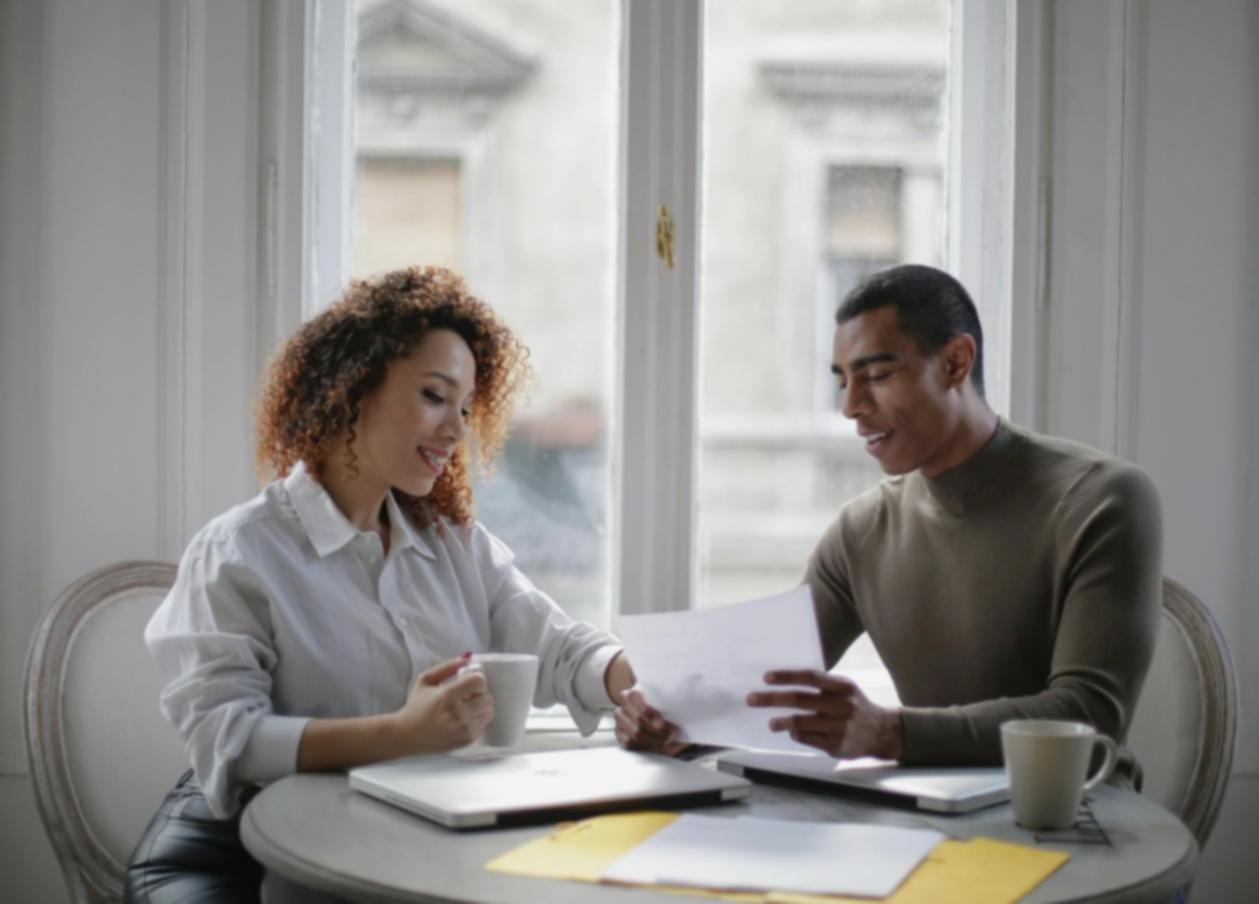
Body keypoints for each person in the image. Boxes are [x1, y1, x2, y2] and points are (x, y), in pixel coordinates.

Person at [125, 266, 635, 903]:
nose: (456, 429)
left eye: (466, 408)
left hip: (429, 852)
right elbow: (229, 742)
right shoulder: (239, 552)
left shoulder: (455, 544)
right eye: (433, 395)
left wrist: (639, 684)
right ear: (354, 387)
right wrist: (402, 733)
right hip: (291, 862)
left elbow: (563, 650)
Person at [616, 264, 1162, 785]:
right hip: (936, 823)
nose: (852, 406)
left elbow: (1088, 713)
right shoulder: (861, 532)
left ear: (955, 362)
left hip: (1083, 821)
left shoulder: (1102, 499)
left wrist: (888, 731)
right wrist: (667, 721)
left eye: (876, 375)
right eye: (843, 382)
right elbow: (767, 692)